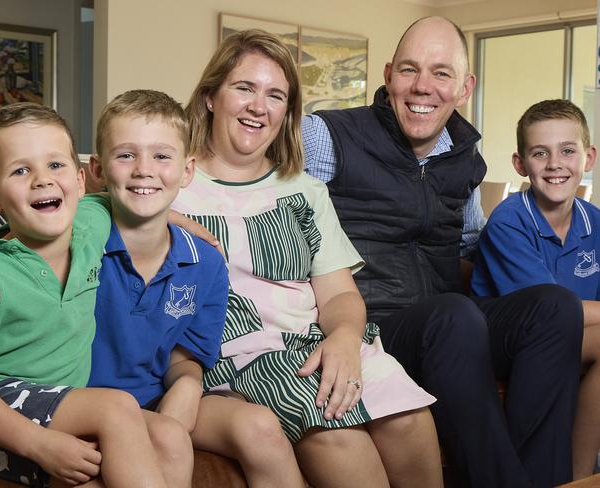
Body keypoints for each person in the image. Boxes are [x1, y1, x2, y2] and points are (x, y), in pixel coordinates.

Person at [302, 16, 583, 488]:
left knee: (555, 308)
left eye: (441, 73)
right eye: (409, 70)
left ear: (465, 87)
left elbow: (471, 242)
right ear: (389, 75)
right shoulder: (327, 135)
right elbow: (265, 202)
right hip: (376, 324)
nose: (422, 87)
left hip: (456, 326)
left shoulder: (466, 158)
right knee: (453, 316)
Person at [173, 29, 442, 488]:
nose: (259, 106)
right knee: (342, 439)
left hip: (315, 342)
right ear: (211, 97)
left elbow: (339, 293)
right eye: (244, 88)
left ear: (287, 114)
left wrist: (341, 340)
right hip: (235, 354)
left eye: (275, 95)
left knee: (410, 415)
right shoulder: (169, 181)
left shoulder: (303, 190)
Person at [87, 88, 306, 488]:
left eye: (161, 156)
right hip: (87, 404)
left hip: (154, 396)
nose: (143, 169)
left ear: (187, 170)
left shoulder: (204, 262)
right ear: (97, 170)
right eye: (125, 155)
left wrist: (188, 383)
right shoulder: (77, 242)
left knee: (258, 425)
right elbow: (9, 245)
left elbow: (184, 355)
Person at [0, 103, 172, 487]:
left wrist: (182, 223)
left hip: (60, 404)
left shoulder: (90, 223)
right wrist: (39, 444)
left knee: (169, 437)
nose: (42, 180)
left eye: (55, 165)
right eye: (21, 170)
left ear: (82, 181)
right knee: (116, 407)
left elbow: (130, 199)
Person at [471, 99, 600, 479]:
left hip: (571, 339)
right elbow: (552, 314)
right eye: (540, 153)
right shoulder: (509, 221)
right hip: (509, 345)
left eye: (568, 151)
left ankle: (578, 477)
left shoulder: (595, 221)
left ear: (588, 158)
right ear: (520, 164)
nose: (555, 163)